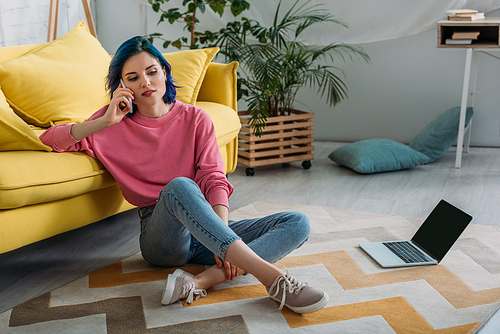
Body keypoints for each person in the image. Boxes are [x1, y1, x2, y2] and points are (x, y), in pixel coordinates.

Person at [40, 36, 329, 314]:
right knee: (180, 186)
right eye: (133, 78)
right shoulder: (109, 124)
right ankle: (275, 280)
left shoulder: (195, 118)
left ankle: (201, 281)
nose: (146, 83)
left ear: (165, 73)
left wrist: (221, 236)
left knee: (297, 222)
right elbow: (50, 139)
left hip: (204, 225)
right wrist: (104, 120)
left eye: (152, 72)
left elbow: (214, 178)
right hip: (161, 237)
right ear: (121, 86)